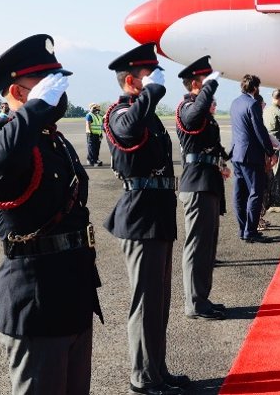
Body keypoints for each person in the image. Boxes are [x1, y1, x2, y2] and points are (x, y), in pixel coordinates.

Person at [0, 34, 102, 394]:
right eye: (46, 84)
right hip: (36, 303)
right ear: (20, 92)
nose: (58, 92)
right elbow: (5, 159)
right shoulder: (9, 139)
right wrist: (35, 109)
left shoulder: (52, 140)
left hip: (73, 292)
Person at [104, 43, 187, 395]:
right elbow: (127, 130)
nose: (155, 79)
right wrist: (153, 91)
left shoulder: (146, 114)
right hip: (140, 218)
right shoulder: (120, 113)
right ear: (130, 82)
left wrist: (150, 92)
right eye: (147, 75)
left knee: (159, 302)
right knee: (145, 302)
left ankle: (157, 369)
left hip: (157, 215)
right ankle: (143, 378)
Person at [176, 56, 230, 321]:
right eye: (206, 81)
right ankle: (194, 304)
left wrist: (222, 161)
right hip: (196, 185)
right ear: (196, 83)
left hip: (207, 182)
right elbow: (195, 116)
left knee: (207, 247)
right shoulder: (187, 107)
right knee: (196, 248)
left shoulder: (201, 111)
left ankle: (202, 299)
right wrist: (208, 89)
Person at [229, 74, 277, 243]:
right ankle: (251, 231)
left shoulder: (235, 103)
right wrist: (271, 152)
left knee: (240, 194)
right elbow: (260, 130)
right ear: (255, 88)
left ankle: (243, 230)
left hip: (237, 154)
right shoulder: (253, 104)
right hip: (251, 156)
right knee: (255, 193)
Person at [263, 89, 280, 208]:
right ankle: (276, 199)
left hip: (269, 144)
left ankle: (276, 196)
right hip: (279, 145)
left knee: (272, 172)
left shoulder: (266, 111)